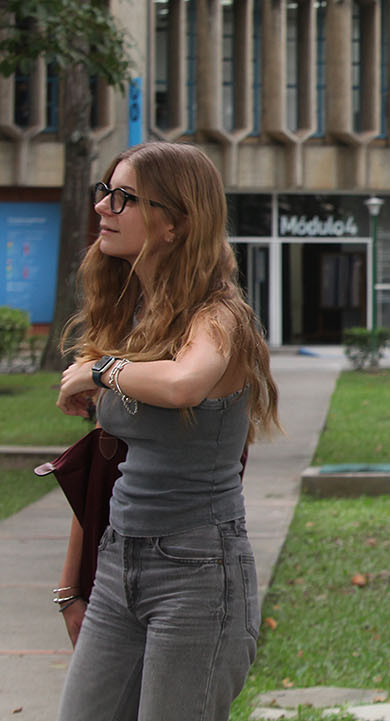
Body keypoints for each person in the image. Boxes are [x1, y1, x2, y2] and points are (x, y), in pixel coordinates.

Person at [54, 142, 280, 721]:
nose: (103, 207)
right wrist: (71, 584)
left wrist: (100, 371)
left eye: (124, 198)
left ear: (175, 223)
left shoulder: (219, 316)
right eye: (105, 192)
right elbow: (105, 462)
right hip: (119, 559)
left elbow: (184, 384)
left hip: (197, 571)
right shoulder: (133, 313)